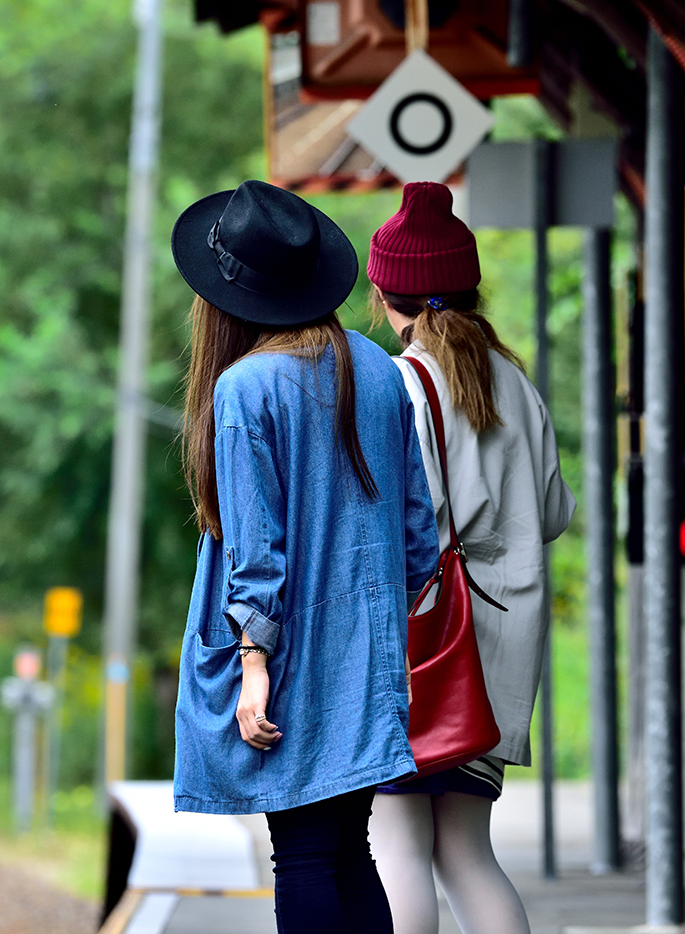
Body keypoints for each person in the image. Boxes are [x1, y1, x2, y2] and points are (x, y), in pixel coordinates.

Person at [170, 179, 441, 934]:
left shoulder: (246, 387)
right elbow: (418, 530)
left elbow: (257, 550)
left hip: (289, 657)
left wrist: (254, 665)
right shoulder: (379, 369)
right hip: (368, 656)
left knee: (305, 855)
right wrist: (374, 625)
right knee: (346, 848)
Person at [364, 181, 577, 934]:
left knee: (395, 841)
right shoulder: (516, 383)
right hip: (502, 645)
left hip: (426, 642)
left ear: (383, 291)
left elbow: (399, 528)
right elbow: (552, 514)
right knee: (467, 853)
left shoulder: (401, 384)